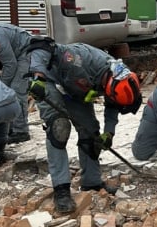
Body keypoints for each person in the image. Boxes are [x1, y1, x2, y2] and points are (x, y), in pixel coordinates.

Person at [28, 42, 143, 214]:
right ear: (109, 85)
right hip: (50, 82)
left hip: (76, 91)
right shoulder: (77, 59)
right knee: (59, 129)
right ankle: (61, 190)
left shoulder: (121, 76)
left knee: (91, 134)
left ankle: (92, 183)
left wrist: (109, 133)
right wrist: (38, 77)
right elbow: (42, 46)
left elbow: (112, 106)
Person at [0, 23, 54, 145]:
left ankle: (21, 131)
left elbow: (10, 64)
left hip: (26, 52)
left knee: (16, 91)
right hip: (14, 57)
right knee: (4, 94)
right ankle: (9, 128)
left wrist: (2, 86)